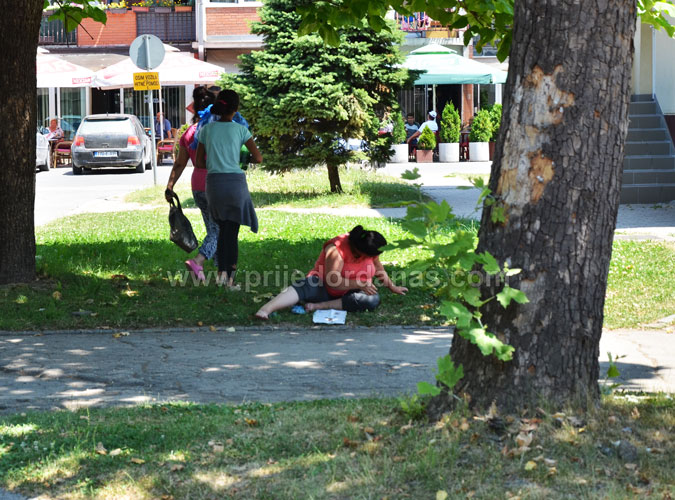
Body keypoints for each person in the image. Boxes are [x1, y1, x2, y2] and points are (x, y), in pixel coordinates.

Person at [254, 225, 408, 320]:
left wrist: (392, 287)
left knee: (372, 300)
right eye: (368, 256)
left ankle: (318, 306)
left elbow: (379, 269)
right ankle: (265, 310)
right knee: (304, 285)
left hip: (349, 293)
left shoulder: (370, 248)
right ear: (359, 250)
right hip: (323, 287)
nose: (371, 258)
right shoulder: (336, 248)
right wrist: (359, 283)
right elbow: (332, 281)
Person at [196, 89, 262, 289]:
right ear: (236, 108)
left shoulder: (206, 130)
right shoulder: (241, 130)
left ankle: (220, 276)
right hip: (234, 185)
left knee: (221, 230)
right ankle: (229, 281)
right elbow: (258, 158)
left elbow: (199, 162)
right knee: (231, 233)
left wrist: (216, 162)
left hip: (214, 185)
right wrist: (241, 159)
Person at [165, 87, 218, 282]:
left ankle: (220, 273)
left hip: (197, 186)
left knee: (213, 229)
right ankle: (198, 261)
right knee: (219, 230)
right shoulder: (216, 129)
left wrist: (170, 186)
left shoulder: (188, 133)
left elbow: (180, 163)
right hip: (216, 184)